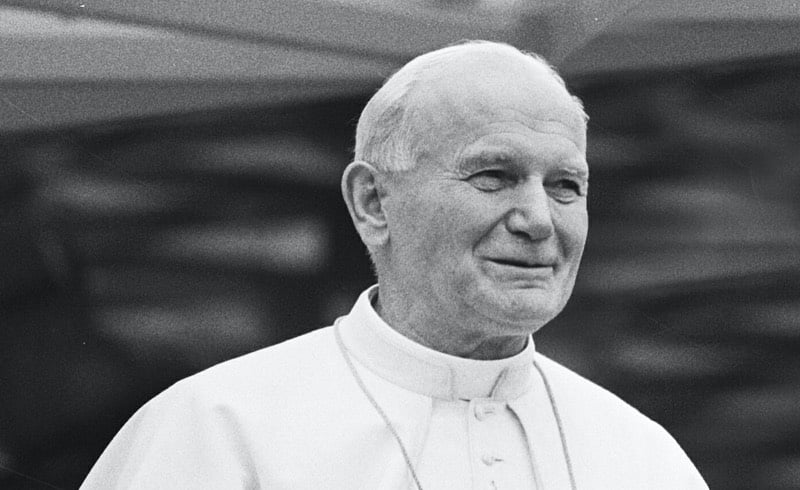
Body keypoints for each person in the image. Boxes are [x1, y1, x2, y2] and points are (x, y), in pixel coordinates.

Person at [81, 41, 707, 489]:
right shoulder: (217, 430)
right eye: (494, 175)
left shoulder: (643, 456)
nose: (539, 220)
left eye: (566, 185)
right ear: (373, 202)